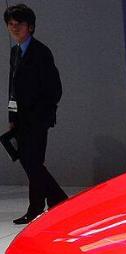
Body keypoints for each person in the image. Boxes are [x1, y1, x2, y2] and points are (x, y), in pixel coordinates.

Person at [5, 3, 66, 225]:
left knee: (33, 162)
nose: (14, 28)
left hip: (37, 120)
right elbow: (13, 88)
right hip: (21, 121)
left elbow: (54, 89)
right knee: (32, 163)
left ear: (30, 26)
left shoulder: (41, 52)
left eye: (18, 24)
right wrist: (12, 117)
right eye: (10, 24)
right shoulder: (15, 52)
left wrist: (40, 116)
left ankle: (41, 205)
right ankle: (54, 200)